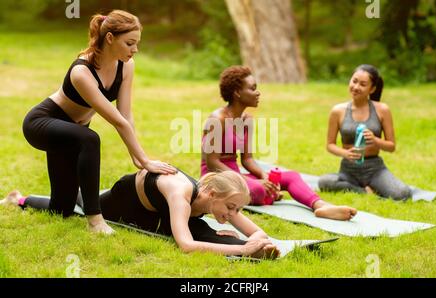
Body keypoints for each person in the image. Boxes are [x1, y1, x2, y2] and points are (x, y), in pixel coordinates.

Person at [21, 10, 178, 235]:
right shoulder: (81, 72)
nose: (135, 50)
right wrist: (144, 160)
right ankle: (95, 220)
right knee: (90, 139)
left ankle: (19, 198)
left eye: (137, 43)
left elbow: (125, 115)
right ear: (110, 38)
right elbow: (117, 122)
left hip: (74, 132)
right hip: (43, 124)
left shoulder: (126, 66)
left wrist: (136, 156)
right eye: (130, 43)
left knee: (61, 209)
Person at [1, 170, 280, 259]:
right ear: (212, 195)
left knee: (207, 232)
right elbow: (186, 247)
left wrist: (256, 240)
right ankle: (20, 199)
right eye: (231, 208)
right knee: (79, 204)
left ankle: (253, 253)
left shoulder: (218, 199)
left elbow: (256, 231)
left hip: (155, 212)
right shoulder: (181, 196)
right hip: (124, 200)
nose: (233, 214)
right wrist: (245, 249)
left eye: (238, 209)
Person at [200, 65, 357, 221]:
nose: (258, 92)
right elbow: (213, 162)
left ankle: (321, 206)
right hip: (217, 178)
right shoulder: (217, 119)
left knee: (291, 177)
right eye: (252, 88)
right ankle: (269, 195)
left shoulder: (246, 120)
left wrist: (264, 175)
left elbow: (247, 159)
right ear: (237, 93)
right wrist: (249, 181)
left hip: (237, 175)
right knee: (259, 189)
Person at [318, 64, 412, 200]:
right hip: (348, 170)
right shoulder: (337, 111)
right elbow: (330, 145)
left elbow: (391, 146)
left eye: (363, 84)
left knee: (403, 194)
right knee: (324, 182)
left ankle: (372, 186)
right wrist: (346, 153)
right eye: (354, 81)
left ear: (372, 89)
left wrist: (375, 140)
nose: (356, 87)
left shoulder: (382, 110)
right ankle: (363, 191)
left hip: (375, 169)